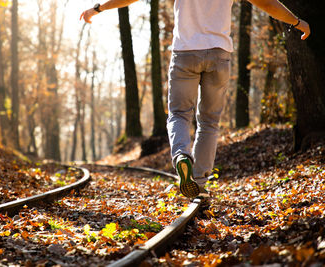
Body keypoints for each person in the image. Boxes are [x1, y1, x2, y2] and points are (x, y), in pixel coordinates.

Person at [81, 0, 310, 198]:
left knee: (179, 114)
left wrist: (98, 8)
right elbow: (267, 4)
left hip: (185, 54)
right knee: (209, 122)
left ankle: (182, 155)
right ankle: (199, 183)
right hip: (219, 54)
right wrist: (297, 22)